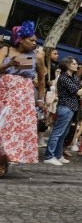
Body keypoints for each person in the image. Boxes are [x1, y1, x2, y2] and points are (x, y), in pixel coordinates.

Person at [0, 21, 46, 176]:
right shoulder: (6, 50)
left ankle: (3, 160)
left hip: (22, 99)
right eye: (31, 40)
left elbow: (41, 80)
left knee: (12, 130)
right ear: (20, 39)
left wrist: (40, 100)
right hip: (3, 93)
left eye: (35, 41)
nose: (34, 43)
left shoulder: (37, 57)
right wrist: (8, 64)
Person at [44, 56, 82, 165]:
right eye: (74, 63)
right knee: (58, 133)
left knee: (64, 133)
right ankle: (49, 156)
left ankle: (58, 155)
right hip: (65, 107)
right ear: (67, 65)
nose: (76, 65)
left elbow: (80, 86)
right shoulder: (64, 78)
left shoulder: (72, 77)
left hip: (71, 108)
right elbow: (79, 92)